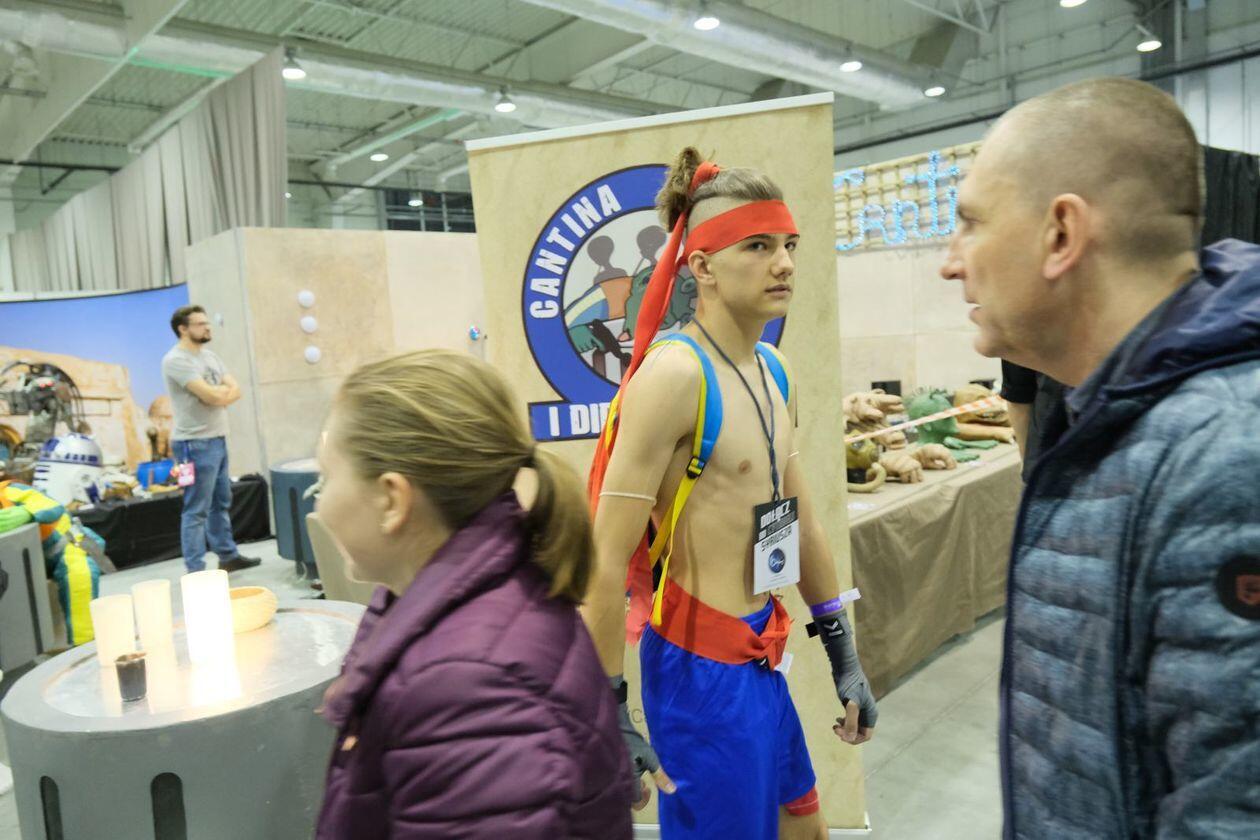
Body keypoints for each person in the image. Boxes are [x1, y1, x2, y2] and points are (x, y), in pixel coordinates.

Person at [940, 77, 1260, 838]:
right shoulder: (1110, 424)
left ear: (1062, 234)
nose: (951, 263)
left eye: (971, 223)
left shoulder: (1225, 460)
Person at [585, 149, 876, 839]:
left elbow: (798, 519)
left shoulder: (774, 369)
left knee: (805, 829)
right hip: (699, 672)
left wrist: (841, 649)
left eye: (789, 245)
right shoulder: (674, 377)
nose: (784, 264)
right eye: (758, 246)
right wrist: (609, 709)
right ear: (703, 266)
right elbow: (603, 561)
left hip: (762, 652)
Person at [313, 350, 633, 839]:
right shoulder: (467, 604)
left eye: (326, 478)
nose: (320, 503)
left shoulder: (468, 690)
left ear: (392, 499)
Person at [161, 305, 259, 574]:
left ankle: (227, 556)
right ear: (183, 329)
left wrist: (220, 395)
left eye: (207, 323)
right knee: (196, 509)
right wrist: (221, 395)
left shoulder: (210, 356)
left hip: (217, 438)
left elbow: (235, 389)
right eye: (200, 324)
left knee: (221, 502)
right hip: (193, 444)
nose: (207, 327)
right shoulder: (175, 360)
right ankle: (196, 570)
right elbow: (212, 396)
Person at [998, 360, 1066, 481]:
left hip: (1050, 454)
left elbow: (1018, 397)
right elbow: (1018, 397)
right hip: (1049, 456)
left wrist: (1026, 460)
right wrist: (1026, 460)